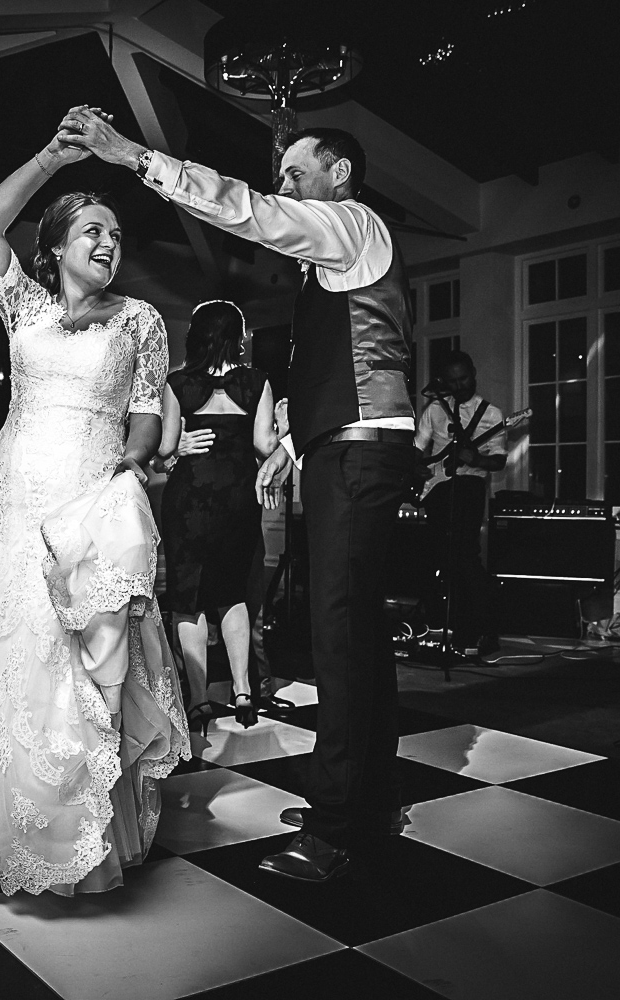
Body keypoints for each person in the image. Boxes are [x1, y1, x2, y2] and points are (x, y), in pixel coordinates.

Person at [64, 111, 417, 882]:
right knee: (357, 632)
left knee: (338, 634)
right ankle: (370, 799)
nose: (284, 185)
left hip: (358, 458)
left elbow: (247, 209)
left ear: (340, 176)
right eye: (284, 175)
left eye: (298, 172)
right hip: (348, 452)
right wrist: (291, 447)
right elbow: (344, 373)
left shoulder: (351, 225)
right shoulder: (340, 264)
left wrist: (133, 157)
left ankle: (334, 833)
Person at [0, 122, 189, 897]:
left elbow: (146, 410)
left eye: (117, 234)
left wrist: (130, 466)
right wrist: (53, 159)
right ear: (57, 246)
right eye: (93, 231)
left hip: (89, 504)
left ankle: (76, 840)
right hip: (6, 505)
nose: (109, 243)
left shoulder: (141, 321)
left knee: (85, 665)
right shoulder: (22, 308)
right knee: (5, 654)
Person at [159, 299, 278, 734]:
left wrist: (171, 455)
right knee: (233, 592)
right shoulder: (257, 382)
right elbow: (265, 445)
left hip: (189, 500)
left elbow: (167, 449)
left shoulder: (179, 383)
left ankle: (197, 699)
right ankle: (244, 692)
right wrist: (283, 432)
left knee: (188, 599)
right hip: (236, 500)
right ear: (238, 336)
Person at [413, 351, 505, 655]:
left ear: (473, 373)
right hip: (438, 489)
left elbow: (498, 461)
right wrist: (418, 468)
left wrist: (475, 458)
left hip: (469, 486)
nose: (458, 384)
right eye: (451, 380)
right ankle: (440, 624)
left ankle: (481, 627)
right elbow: (418, 449)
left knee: (466, 556)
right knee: (439, 557)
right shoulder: (435, 410)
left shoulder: (491, 414)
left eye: (463, 378)